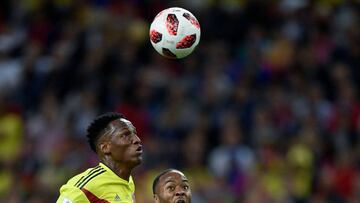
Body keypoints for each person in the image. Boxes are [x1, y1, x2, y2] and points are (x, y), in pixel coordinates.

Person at [56, 112, 143, 203]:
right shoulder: (84, 188)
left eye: (134, 133)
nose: (137, 140)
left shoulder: (128, 181)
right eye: (125, 135)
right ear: (105, 147)